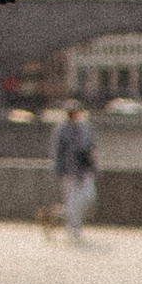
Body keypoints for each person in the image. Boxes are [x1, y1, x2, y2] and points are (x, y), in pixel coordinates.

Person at [49, 102, 98, 244]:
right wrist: (59, 170)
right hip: (69, 170)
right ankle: (74, 229)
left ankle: (57, 214)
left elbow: (92, 148)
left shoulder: (85, 128)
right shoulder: (61, 130)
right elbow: (57, 152)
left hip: (85, 169)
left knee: (89, 197)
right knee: (72, 200)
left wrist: (93, 166)